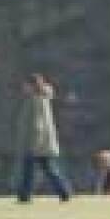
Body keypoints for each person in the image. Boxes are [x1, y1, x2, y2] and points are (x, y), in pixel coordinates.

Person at [13, 74, 72, 204]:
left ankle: (25, 196)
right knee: (48, 170)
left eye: (26, 85)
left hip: (37, 144)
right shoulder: (41, 99)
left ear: (32, 86)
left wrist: (34, 145)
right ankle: (64, 192)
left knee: (30, 170)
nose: (24, 87)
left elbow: (37, 125)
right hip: (43, 144)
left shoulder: (36, 100)